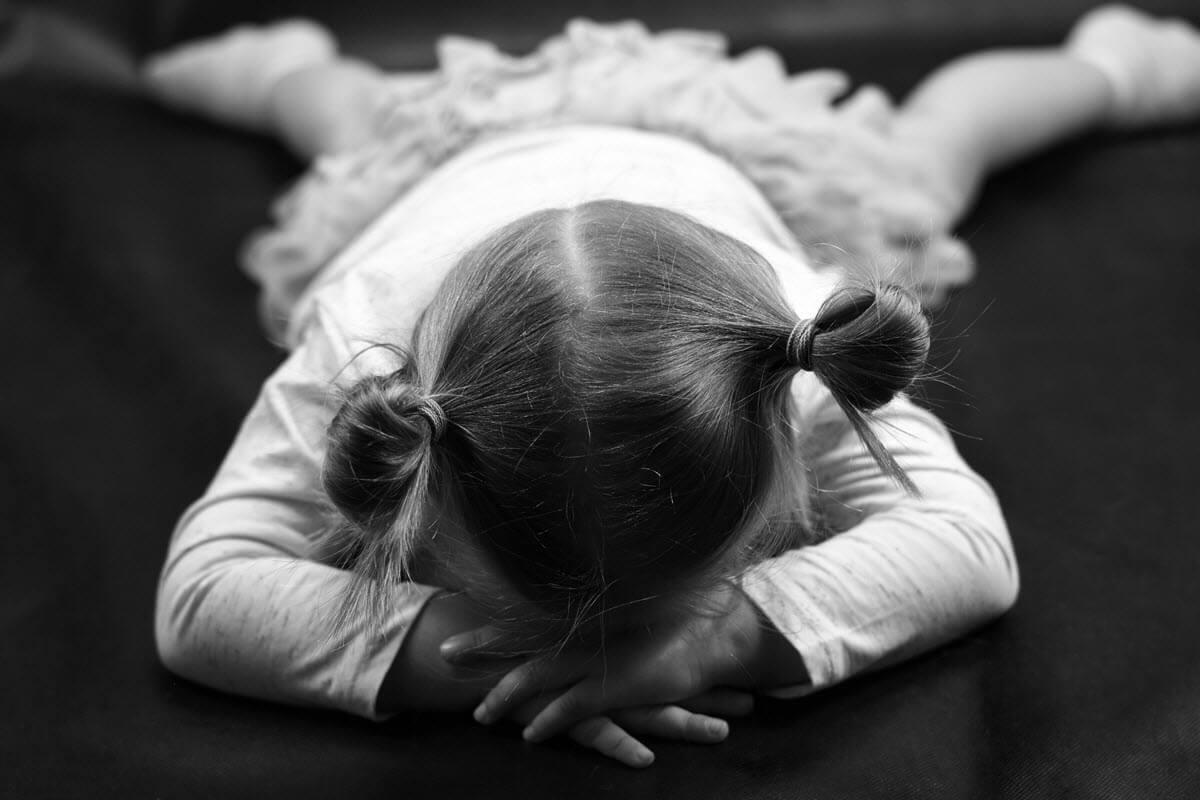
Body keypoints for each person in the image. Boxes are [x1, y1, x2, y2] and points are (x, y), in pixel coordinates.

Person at [147, 6, 1200, 768]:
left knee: (935, 146)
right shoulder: (362, 350)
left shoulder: (792, 344)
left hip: (738, 164)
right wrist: (457, 657)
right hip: (446, 173)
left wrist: (720, 637)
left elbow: (970, 547)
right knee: (349, 119)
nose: (597, 644)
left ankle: (1111, 62)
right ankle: (283, 61)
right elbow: (198, 600)